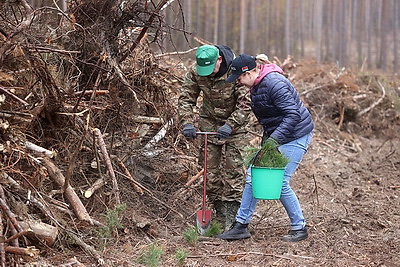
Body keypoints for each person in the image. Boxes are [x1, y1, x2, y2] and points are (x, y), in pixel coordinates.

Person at [217, 54, 314, 242]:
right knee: (253, 176)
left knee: (280, 181)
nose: (239, 82)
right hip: (279, 135)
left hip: (296, 134)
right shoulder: (257, 84)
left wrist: (274, 140)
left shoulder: (274, 84)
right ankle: (240, 226)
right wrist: (269, 140)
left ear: (251, 71)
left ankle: (299, 227)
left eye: (240, 78)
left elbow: (292, 115)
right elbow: (271, 119)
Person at [178, 45, 251, 230]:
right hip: (208, 124)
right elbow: (186, 98)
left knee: (234, 171)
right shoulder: (196, 71)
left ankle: (233, 217)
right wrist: (187, 123)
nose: (209, 74)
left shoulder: (236, 72)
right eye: (205, 71)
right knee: (210, 173)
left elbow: (245, 103)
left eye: (212, 70)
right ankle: (219, 214)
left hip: (235, 126)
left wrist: (231, 125)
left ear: (219, 60)